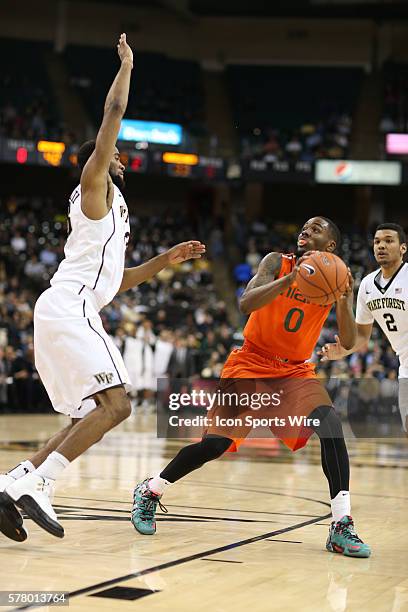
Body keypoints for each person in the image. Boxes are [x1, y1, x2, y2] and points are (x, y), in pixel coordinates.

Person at [0, 34, 205, 543]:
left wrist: (168, 257)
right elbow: (113, 110)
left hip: (69, 306)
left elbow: (122, 280)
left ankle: (14, 482)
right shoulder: (95, 186)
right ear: (101, 159)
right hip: (70, 307)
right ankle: (42, 486)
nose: (121, 161)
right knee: (119, 406)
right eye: (114, 155)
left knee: (91, 412)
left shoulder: (112, 214)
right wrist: (127, 67)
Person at [131, 216, 371, 558]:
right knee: (215, 445)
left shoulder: (338, 279)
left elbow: (348, 340)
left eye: (316, 229)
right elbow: (246, 304)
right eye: (303, 227)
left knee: (330, 425)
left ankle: (341, 525)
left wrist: (344, 298)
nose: (305, 231)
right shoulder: (276, 261)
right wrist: (291, 278)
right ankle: (151, 490)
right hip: (250, 362)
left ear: (330, 246)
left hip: (294, 371)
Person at [321, 223, 408, 432]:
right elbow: (362, 335)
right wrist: (343, 350)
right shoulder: (368, 285)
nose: (381, 246)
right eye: (377, 242)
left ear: (403, 248)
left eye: (389, 241)